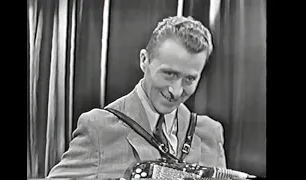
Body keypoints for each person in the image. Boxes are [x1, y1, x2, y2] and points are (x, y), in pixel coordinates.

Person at [47, 16, 227, 179]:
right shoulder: (98, 128)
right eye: (169, 74)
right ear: (144, 60)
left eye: (189, 79)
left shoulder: (209, 132)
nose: (177, 91)